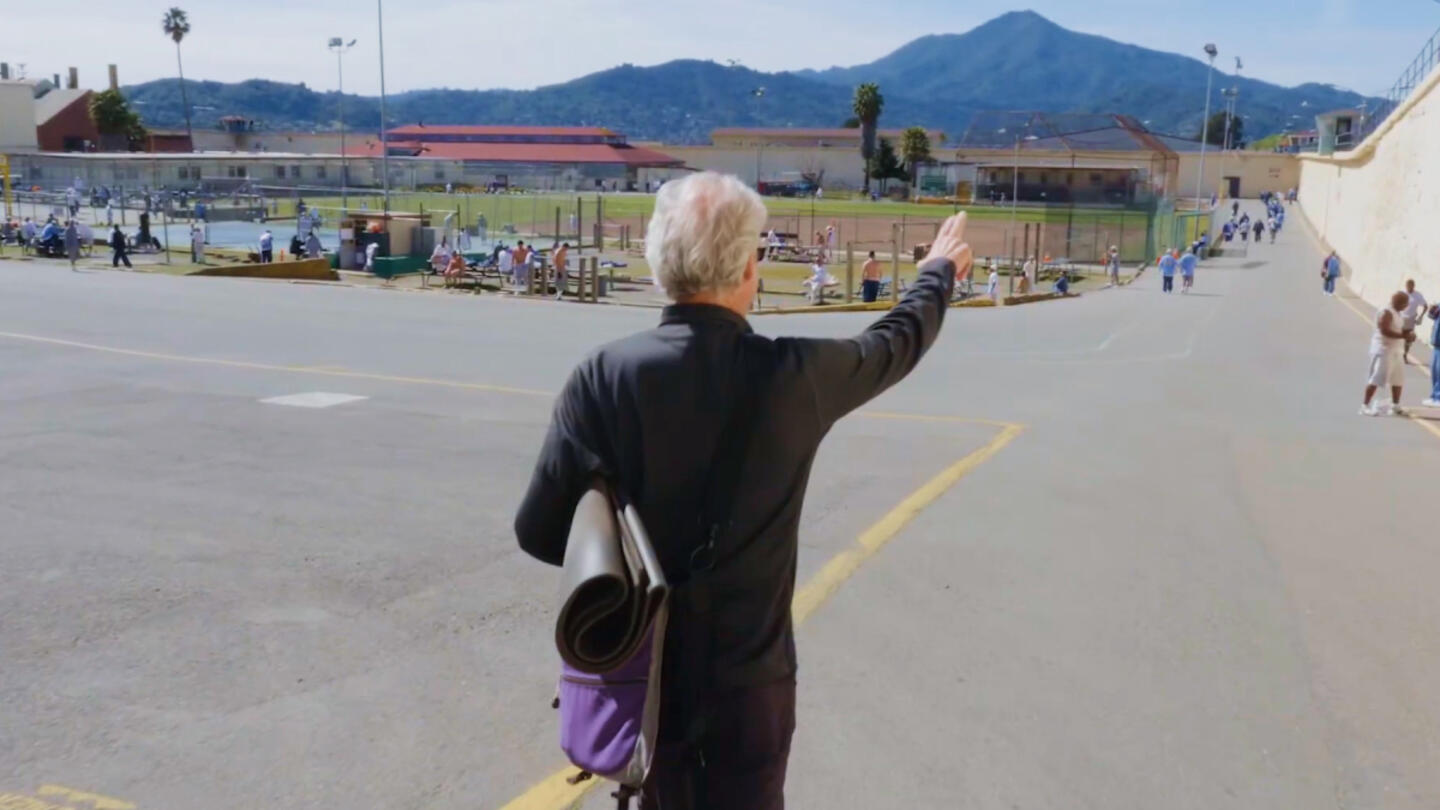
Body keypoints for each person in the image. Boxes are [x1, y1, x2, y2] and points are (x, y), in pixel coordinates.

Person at [514, 172, 970, 810]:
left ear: (656, 264)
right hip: (752, 686)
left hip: (643, 683)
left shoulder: (602, 377)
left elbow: (540, 534)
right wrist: (938, 271)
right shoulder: (796, 376)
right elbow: (895, 342)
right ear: (749, 269)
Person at [1360, 291, 1415, 416]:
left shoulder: (1398, 314)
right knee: (1376, 378)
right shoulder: (1386, 312)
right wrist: (1403, 336)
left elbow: (1398, 329)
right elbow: (1384, 330)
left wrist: (1408, 334)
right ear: (1399, 302)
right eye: (1405, 304)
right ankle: (1365, 406)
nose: (1406, 306)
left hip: (1396, 350)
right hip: (1384, 350)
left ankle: (1395, 406)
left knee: (1398, 379)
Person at [1402, 279, 1427, 362]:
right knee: (1397, 337)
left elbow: (1425, 306)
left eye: (1410, 286)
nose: (1408, 288)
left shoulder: (1417, 295)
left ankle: (1404, 355)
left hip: (1411, 320)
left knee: (1408, 339)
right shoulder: (1402, 293)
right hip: (1401, 318)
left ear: (1413, 286)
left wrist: (1420, 317)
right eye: (1407, 286)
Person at [1425, 303, 1440, 408]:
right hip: (1436, 344)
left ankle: (1438, 398)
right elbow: (1431, 316)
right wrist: (1431, 310)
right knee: (1434, 371)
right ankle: (1434, 396)